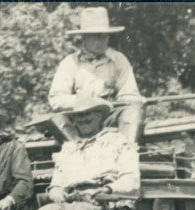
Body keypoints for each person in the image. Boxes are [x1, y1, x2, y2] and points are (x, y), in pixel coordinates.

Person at [21, 96, 140, 210]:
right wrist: (56, 191)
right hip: (68, 201)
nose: (82, 119)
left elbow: (131, 180)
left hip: (98, 201)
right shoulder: (69, 149)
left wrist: (106, 190)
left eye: (87, 114)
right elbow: (57, 182)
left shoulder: (117, 142)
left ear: (100, 116)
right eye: (78, 116)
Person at [48, 7, 144, 142]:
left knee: (133, 113)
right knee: (57, 120)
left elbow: (130, 94)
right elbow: (56, 99)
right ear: (84, 38)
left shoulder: (118, 60)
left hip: (110, 116)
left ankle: (126, 152)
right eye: (96, 36)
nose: (102, 40)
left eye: (105, 36)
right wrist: (87, 102)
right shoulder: (70, 63)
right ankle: (79, 151)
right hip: (79, 117)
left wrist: (109, 104)